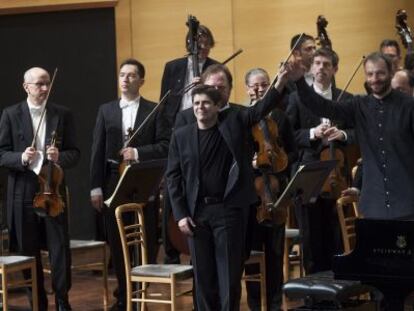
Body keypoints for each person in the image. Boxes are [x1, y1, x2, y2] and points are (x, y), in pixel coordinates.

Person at [166, 65, 288, 310]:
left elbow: (261, 109)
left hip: (228, 211)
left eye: (206, 103)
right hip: (196, 214)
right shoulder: (182, 135)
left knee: (229, 276)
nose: (201, 107)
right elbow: (173, 177)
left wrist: (279, 83)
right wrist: (180, 215)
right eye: (197, 103)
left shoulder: (234, 121)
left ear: (217, 105)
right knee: (204, 278)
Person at [288, 51, 414, 220]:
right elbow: (322, 107)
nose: (375, 78)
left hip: (407, 199)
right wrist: (299, 81)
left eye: (380, 73)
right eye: (370, 74)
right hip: (373, 203)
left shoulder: (409, 106)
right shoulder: (358, 104)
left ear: (391, 73)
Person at [90, 58, 170, 311]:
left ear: (141, 81)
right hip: (114, 181)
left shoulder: (154, 110)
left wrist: (136, 152)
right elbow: (97, 150)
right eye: (122, 75)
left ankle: (140, 295)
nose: (125, 79)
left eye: (131, 75)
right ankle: (124, 296)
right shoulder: (106, 110)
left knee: (144, 239)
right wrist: (95, 186)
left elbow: (165, 146)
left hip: (143, 180)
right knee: (118, 240)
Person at [0, 67, 80, 311]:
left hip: (52, 190)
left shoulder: (62, 114)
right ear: (26, 86)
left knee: (59, 250)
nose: (44, 88)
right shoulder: (11, 114)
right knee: (27, 248)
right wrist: (21, 158)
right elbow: (2, 154)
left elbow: (74, 153)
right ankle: (37, 301)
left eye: (47, 83)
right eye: (39, 84)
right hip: (22, 191)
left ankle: (63, 301)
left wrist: (59, 156)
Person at [286, 47, 354, 274]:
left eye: (326, 64)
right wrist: (312, 133)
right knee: (311, 234)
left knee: (336, 231)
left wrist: (342, 134)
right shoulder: (296, 99)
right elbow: (287, 137)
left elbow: (359, 134)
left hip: (338, 174)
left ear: (335, 69)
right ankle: (314, 289)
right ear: (310, 68)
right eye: (317, 64)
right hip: (308, 172)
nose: (321, 68)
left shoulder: (347, 99)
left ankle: (339, 283)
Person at [160, 24, 218, 264]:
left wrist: (203, 87)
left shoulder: (214, 68)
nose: (202, 48)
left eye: (206, 44)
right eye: (198, 44)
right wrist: (187, 91)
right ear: (189, 45)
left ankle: (198, 250)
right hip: (178, 131)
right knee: (171, 191)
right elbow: (166, 103)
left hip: (201, 130)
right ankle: (170, 252)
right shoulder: (173, 67)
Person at [243, 68, 297, 311]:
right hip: (252, 197)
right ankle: (254, 303)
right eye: (254, 85)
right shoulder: (242, 117)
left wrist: (281, 159)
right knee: (252, 256)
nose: (259, 88)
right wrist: (250, 163)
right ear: (246, 89)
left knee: (275, 255)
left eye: (264, 83)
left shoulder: (280, 117)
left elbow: (294, 152)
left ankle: (275, 303)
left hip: (275, 190)